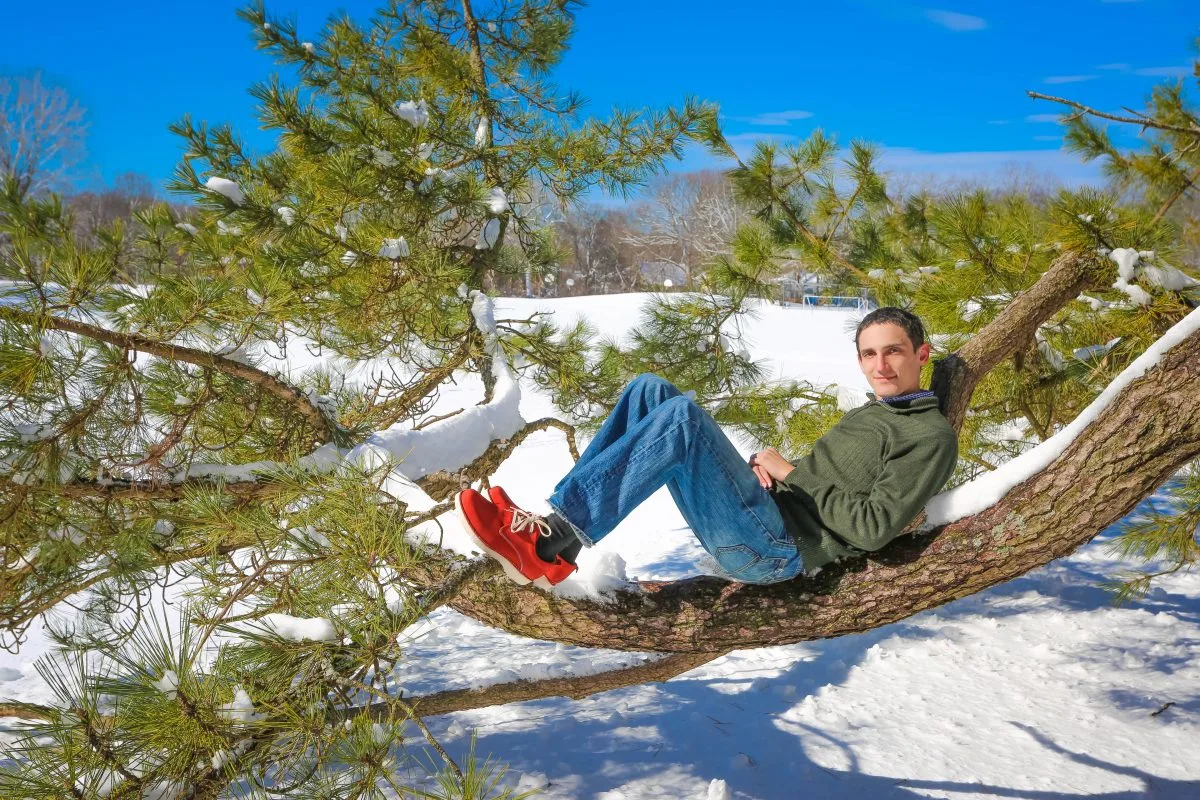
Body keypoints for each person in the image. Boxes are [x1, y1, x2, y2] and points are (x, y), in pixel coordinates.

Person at [455, 307, 959, 589]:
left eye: (893, 351)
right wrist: (769, 472)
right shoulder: (879, 412)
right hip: (767, 512)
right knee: (649, 390)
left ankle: (548, 539)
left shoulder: (928, 436)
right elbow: (838, 483)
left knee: (681, 419)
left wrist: (790, 473)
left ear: (921, 354)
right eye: (869, 354)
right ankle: (558, 541)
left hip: (777, 550)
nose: (880, 365)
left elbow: (870, 529)